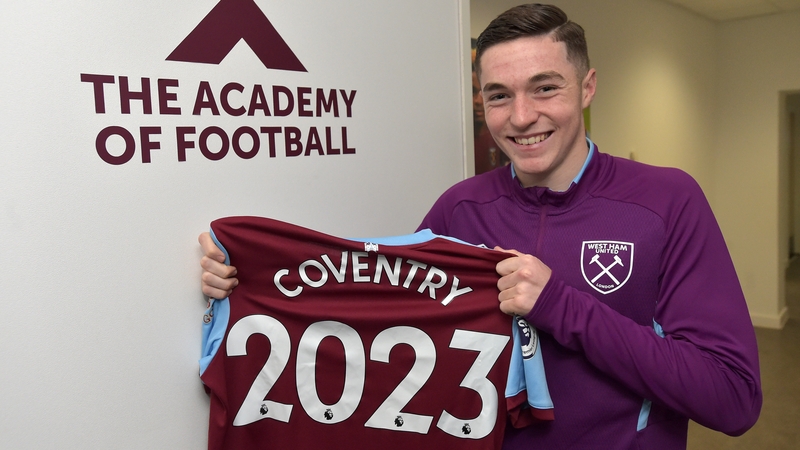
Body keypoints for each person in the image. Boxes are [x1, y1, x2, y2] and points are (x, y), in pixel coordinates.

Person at [199, 4, 761, 449]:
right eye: (499, 96)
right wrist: (252, 279)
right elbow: (374, 324)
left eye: (545, 87)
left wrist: (561, 308)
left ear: (587, 88)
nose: (520, 117)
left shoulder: (666, 201)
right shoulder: (459, 209)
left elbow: (732, 400)